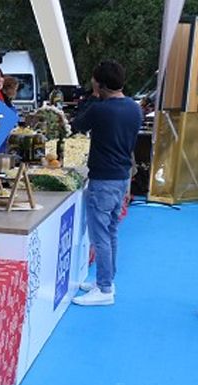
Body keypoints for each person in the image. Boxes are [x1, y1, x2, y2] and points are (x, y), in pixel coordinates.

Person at [70, 60, 142, 306]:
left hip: (103, 178)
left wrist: (91, 99)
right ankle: (106, 279)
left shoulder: (100, 110)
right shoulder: (134, 108)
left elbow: (77, 125)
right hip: (121, 176)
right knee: (110, 231)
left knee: (99, 234)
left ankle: (104, 288)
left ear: (100, 84)